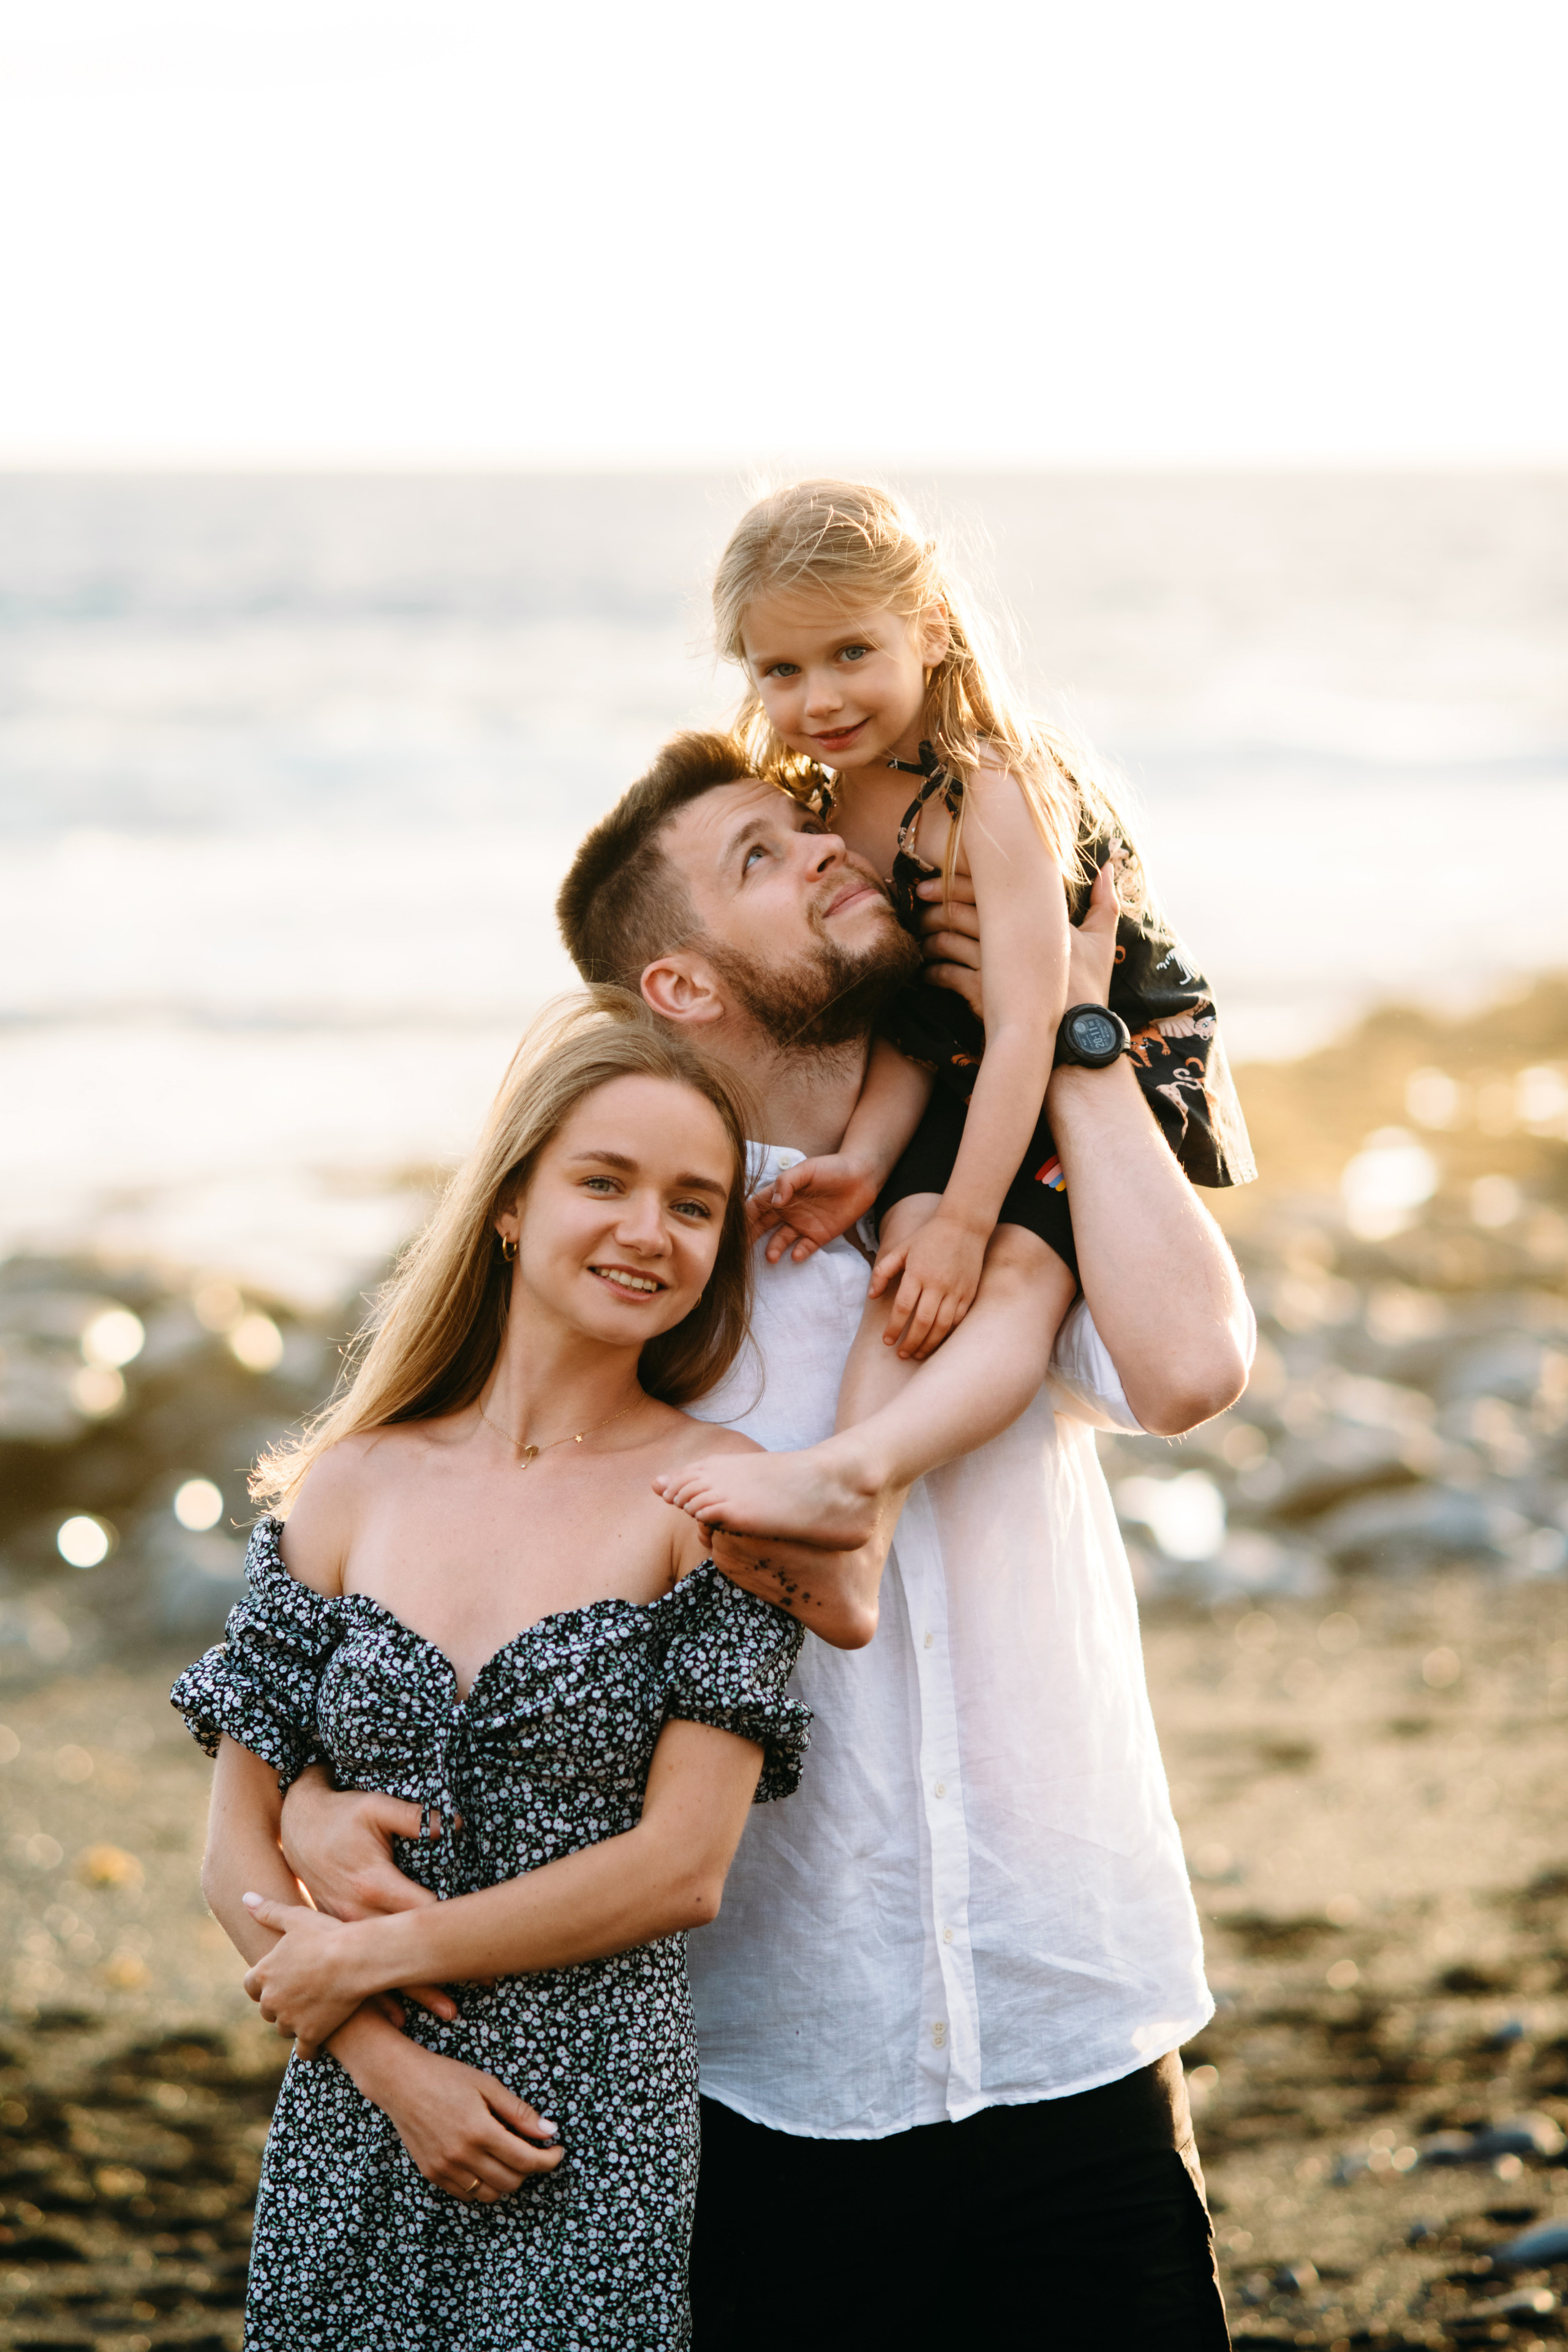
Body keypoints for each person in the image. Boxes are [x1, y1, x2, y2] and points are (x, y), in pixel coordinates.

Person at [281, 734, 1253, 2348]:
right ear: (681, 985)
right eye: (756, 860)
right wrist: (316, 1792)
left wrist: (1062, 1022)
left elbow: (1195, 1368)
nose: (824, 855)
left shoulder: (993, 1197)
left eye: (800, 832)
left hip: (1072, 2015)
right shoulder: (649, 1277)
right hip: (766, 2077)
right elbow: (458, 1556)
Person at [169, 993, 853, 2351]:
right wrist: (385, 2066)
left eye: (693, 1205)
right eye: (603, 1182)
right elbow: (234, 1850)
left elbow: (681, 1870)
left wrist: (376, 1952)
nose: (647, 1231)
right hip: (352, 2116)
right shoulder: (350, 1487)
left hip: (585, 2123)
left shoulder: (713, 1502)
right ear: (507, 1204)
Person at [655, 477, 1254, 1549]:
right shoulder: (830, 803)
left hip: (1095, 1041)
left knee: (1012, 1267)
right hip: (971, 1059)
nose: (820, 698)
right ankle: (850, 1511)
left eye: (850, 652)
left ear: (928, 630)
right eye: (780, 670)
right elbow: (920, 1026)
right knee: (908, 1252)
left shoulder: (995, 785)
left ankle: (859, 1470)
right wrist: (875, 1169)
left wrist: (975, 1222)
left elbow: (1028, 1021)